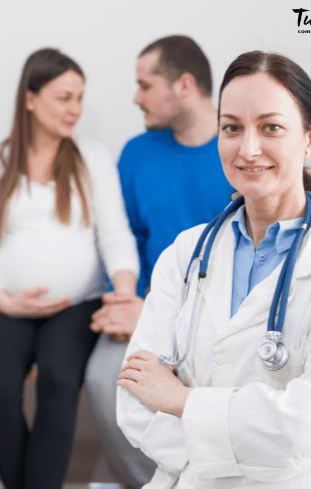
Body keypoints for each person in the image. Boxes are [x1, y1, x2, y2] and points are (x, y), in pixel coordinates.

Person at [116, 51, 311, 489]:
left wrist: (182, 401)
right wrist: (254, 445)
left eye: (271, 127)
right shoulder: (185, 255)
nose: (248, 149)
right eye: (232, 128)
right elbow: (135, 406)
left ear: (310, 137)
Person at [0, 48, 138, 489]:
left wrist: (126, 289)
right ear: (31, 98)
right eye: (64, 97)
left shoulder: (91, 160)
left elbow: (115, 236)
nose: (75, 109)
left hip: (75, 305)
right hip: (4, 305)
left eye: (79, 98)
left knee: (59, 379)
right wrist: (4, 300)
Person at [85, 35, 233, 488]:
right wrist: (128, 297)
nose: (136, 97)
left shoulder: (238, 153)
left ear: (183, 85)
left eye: (145, 85)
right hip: (146, 303)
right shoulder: (137, 153)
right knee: (103, 380)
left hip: (218, 313)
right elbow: (124, 234)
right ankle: (148, 481)